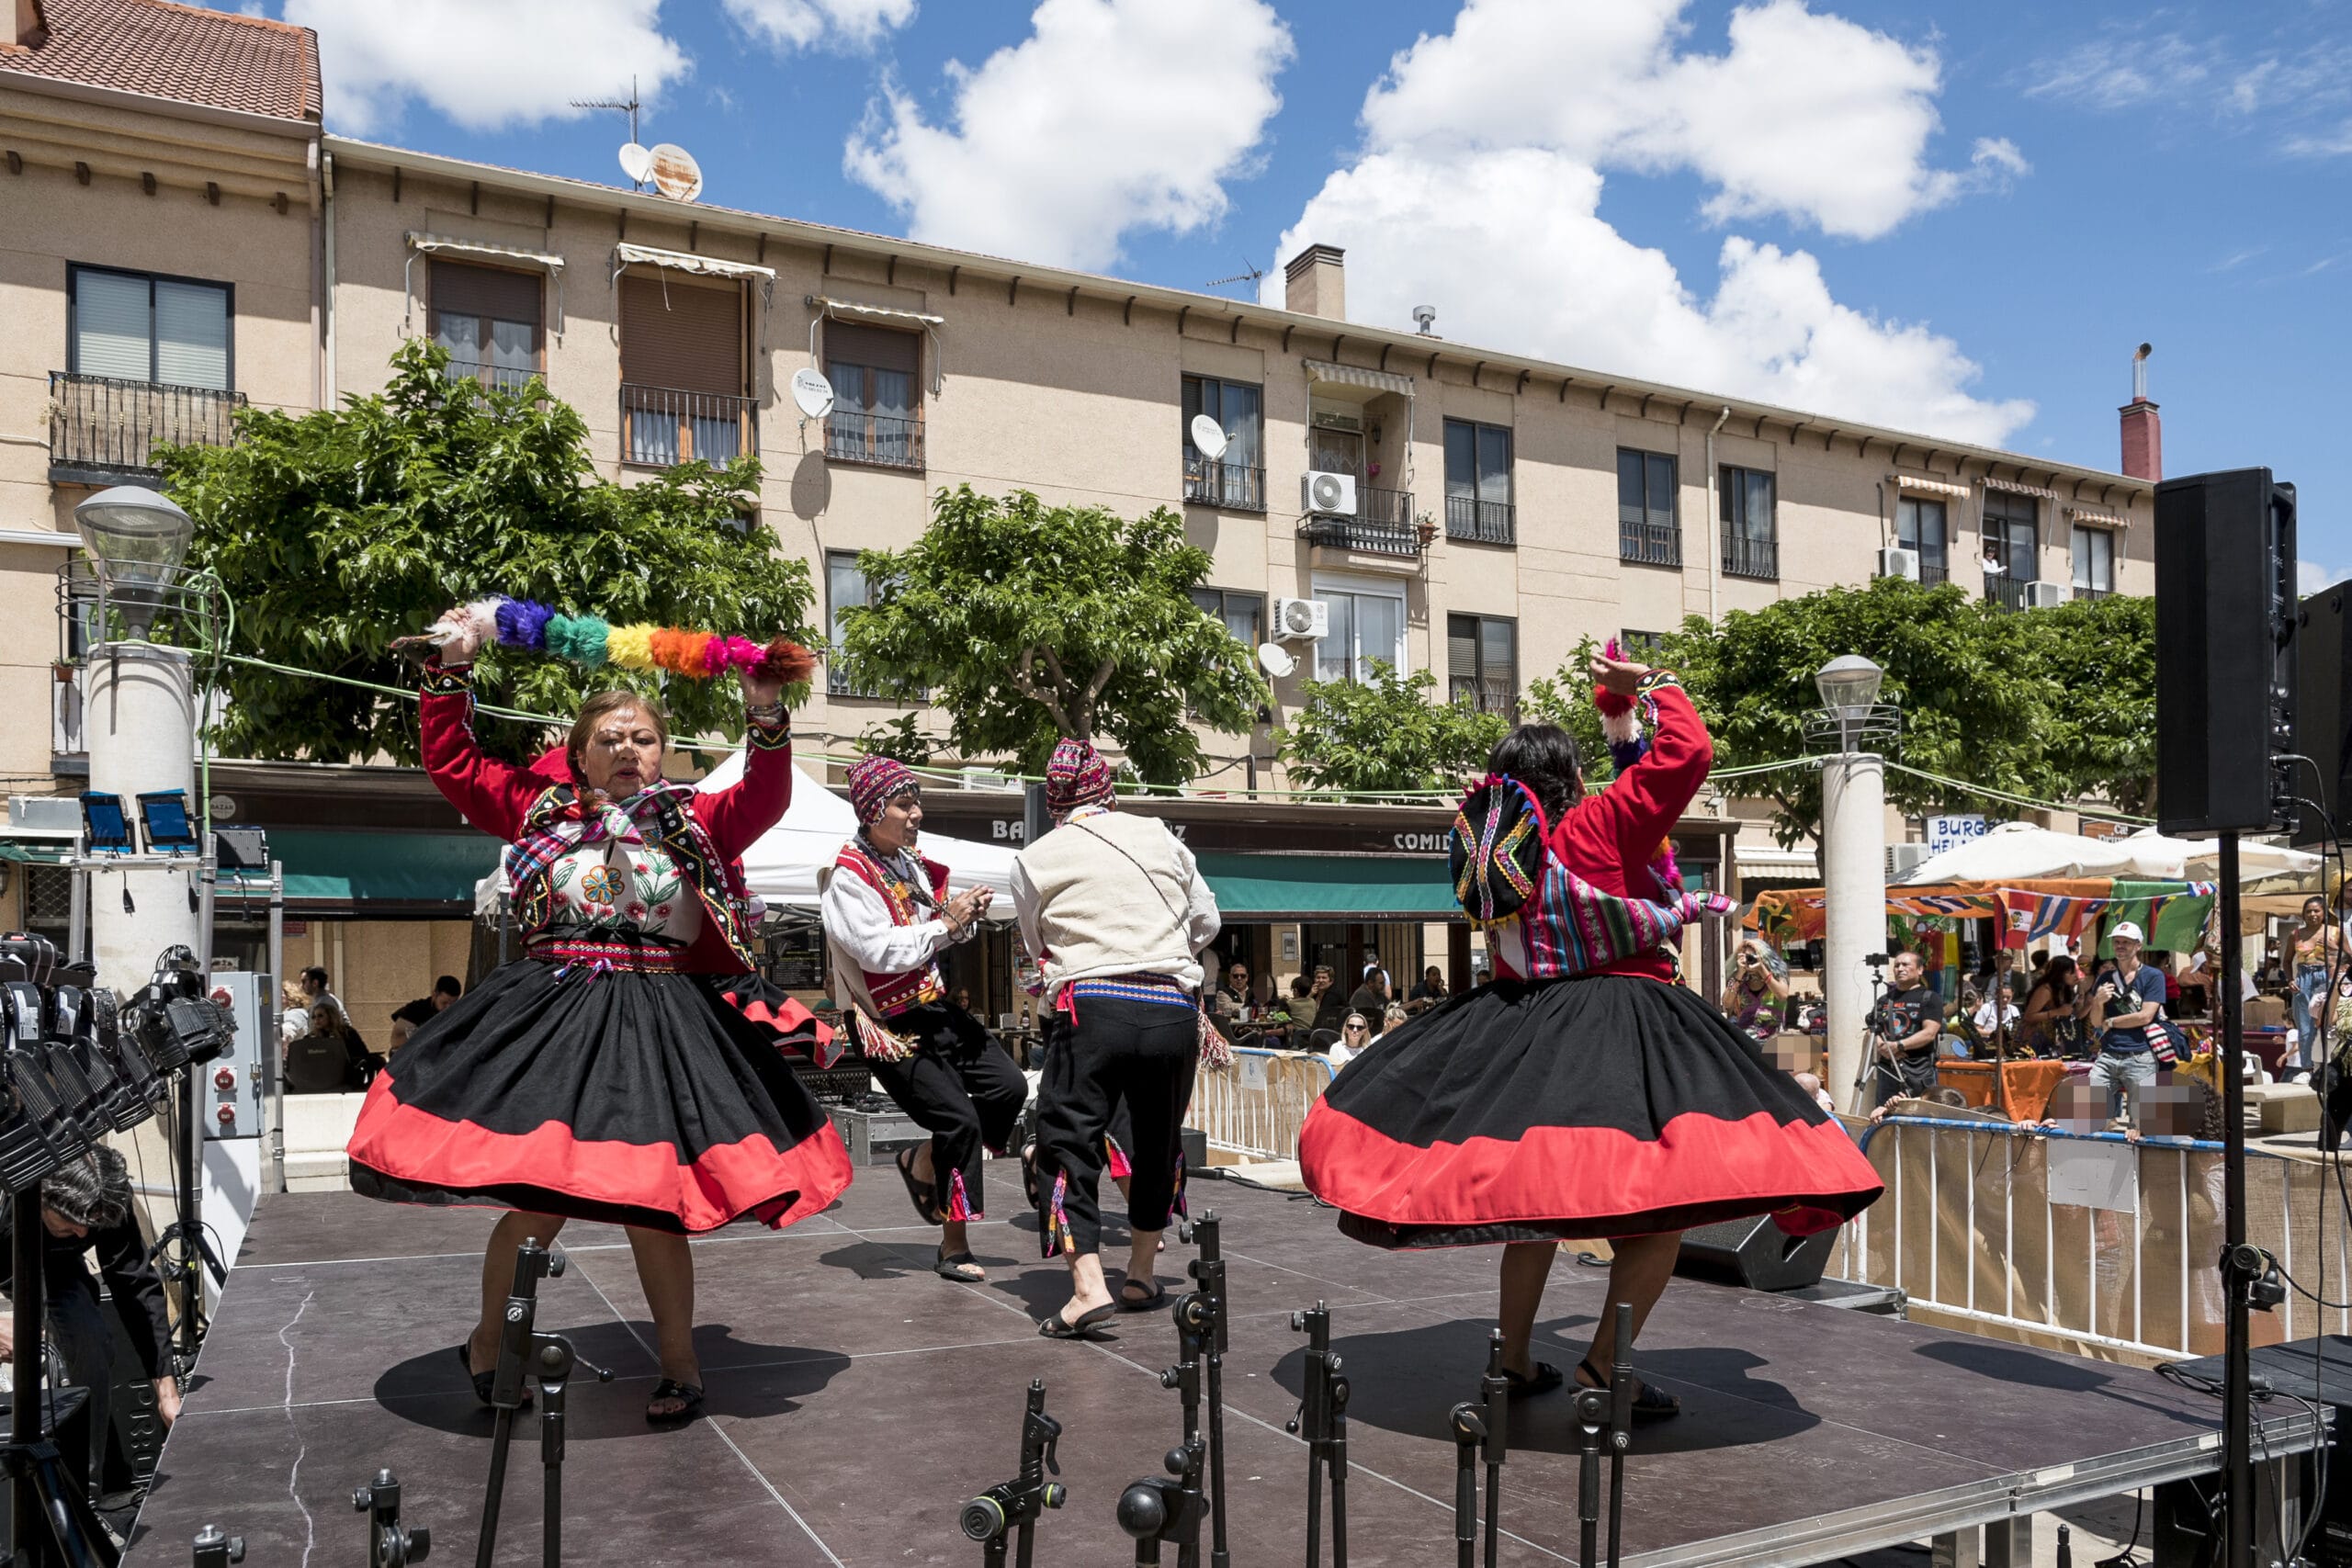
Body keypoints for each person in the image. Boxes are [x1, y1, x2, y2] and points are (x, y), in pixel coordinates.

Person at [1301, 651, 1882, 1418]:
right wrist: (1651, 685)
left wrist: (1618, 720)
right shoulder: (1599, 824)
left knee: (1534, 1205)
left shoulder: (1498, 847)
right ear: (1571, 778)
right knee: (1664, 1206)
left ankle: (1512, 1360)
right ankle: (1606, 1368)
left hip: (1521, 1028)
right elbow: (1688, 754)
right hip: (1620, 1026)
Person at [347, 612, 851, 1428]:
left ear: (663, 751)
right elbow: (455, 764)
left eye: (643, 738)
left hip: (661, 1023)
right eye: (610, 738)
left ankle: (680, 1364)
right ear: (579, 753)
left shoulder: (695, 818)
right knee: (538, 1203)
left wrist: (764, 709)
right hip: (555, 1018)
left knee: (653, 1206)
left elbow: (766, 793)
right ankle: (489, 1345)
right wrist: (449, 675)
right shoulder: (539, 809)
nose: (628, 749)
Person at [1014, 739, 1220, 1337]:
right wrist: (1155, 949)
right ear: (1107, 789)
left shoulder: (1036, 857)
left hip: (1092, 1006)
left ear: (1054, 801)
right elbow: (1207, 920)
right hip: (1171, 1006)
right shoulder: (1160, 834)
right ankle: (1140, 1275)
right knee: (1157, 1143)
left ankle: (1087, 1286)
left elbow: (1036, 943)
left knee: (1065, 1141)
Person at [822, 754, 1026, 1284]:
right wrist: (946, 926)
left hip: (931, 1007)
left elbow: (932, 933)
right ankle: (953, 1245)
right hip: (886, 1023)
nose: (916, 813)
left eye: (916, 803)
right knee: (958, 1121)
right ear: (872, 812)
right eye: (903, 804)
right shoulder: (848, 878)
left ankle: (923, 1161)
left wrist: (963, 919)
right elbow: (877, 953)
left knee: (1008, 1087)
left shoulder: (908, 864)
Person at [0, 1148, 177, 1491]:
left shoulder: (106, 1193)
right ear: (42, 1195)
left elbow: (136, 1286)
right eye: (71, 1222)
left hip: (57, 1267)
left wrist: (167, 1391)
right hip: (6, 1246)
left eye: (90, 1224)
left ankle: (84, 1490)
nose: (83, 1234)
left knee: (90, 1339)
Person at [2080, 921, 2166, 1123]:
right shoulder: (2105, 978)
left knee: (2141, 1122)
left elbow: (2145, 1016)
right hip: (2108, 1054)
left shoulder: (2153, 976)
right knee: (2089, 1113)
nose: (2120, 946)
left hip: (2141, 1055)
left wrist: (2111, 1021)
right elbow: (2096, 1022)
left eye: (2126, 942)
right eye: (2117, 942)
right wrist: (2098, 1002)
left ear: (2138, 945)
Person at [1871, 952, 1942, 1104]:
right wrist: (1883, 1048)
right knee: (1883, 1114)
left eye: (1905, 965)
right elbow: (1874, 1029)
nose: (1900, 969)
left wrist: (1898, 1046)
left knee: (1918, 1113)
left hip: (1918, 1071)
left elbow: (1929, 1033)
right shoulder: (1884, 999)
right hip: (1888, 1070)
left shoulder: (1930, 998)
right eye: (1897, 965)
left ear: (1920, 969)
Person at [2289, 896, 2342, 1069]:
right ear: (2303, 914)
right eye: (2308, 911)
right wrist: (2290, 979)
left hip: (2328, 977)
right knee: (2305, 1028)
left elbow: (2349, 957)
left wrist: (2334, 948)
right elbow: (2286, 961)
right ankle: (2308, 1069)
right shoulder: (2295, 935)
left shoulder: (2335, 932)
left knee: (2330, 1024)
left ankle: (2330, 1065)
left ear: (2324, 913)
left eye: (2316, 911)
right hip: (2303, 979)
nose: (2312, 914)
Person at [1719, 939, 1789, 1043]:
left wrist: (1762, 969)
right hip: (1745, 1040)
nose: (1749, 960)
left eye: (1752, 957)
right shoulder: (1739, 978)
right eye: (1746, 957)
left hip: (1772, 1040)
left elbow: (1782, 996)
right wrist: (1739, 974)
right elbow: (1726, 1003)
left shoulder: (1777, 975)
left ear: (1764, 958)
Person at [2019, 954, 2083, 1057]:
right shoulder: (2045, 990)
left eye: (2075, 971)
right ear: (2059, 973)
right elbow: (2029, 1016)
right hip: (2036, 1039)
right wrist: (2057, 1012)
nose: (2075, 975)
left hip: (2055, 1039)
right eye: (2070, 972)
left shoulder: (2066, 990)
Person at [391, 975, 463, 1030]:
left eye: (453, 1004)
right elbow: (398, 1037)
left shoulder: (458, 1013)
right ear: (434, 995)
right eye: (444, 1003)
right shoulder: (415, 1009)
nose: (448, 1007)